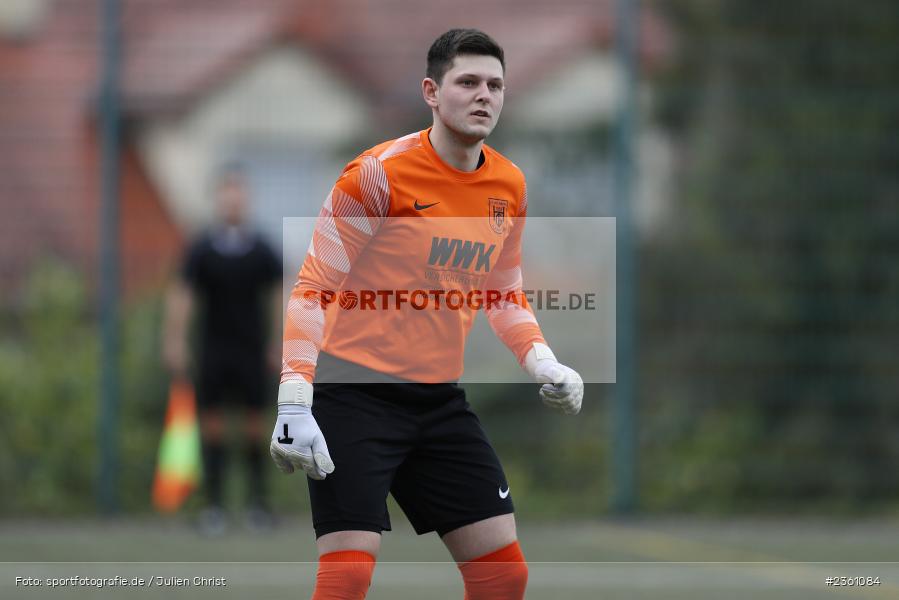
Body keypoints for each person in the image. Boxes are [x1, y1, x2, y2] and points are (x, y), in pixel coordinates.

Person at [270, 29, 584, 599]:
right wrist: (295, 397)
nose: (484, 95)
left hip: (437, 398)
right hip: (352, 395)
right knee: (349, 575)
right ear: (432, 93)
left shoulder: (509, 185)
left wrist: (543, 362)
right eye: (467, 82)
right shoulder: (377, 175)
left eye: (495, 85)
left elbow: (502, 293)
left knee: (503, 575)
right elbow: (313, 288)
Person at [163, 163, 282, 535]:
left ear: (246, 199)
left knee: (254, 427)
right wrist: (174, 339)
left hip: (252, 352)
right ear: (218, 199)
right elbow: (183, 295)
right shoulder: (201, 249)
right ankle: (214, 508)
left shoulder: (263, 249)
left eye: (239, 192)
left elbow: (280, 296)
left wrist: (281, 341)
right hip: (213, 351)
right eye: (226, 192)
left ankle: (258, 506)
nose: (233, 199)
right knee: (211, 427)